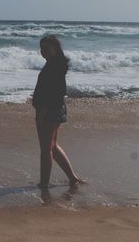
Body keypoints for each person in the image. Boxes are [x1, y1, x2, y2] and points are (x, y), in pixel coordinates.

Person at [32, 35, 84, 189]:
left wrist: (41, 114)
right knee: (52, 147)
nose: (44, 51)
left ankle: (44, 183)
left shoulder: (54, 67)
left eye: (47, 48)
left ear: (55, 48)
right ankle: (73, 178)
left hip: (49, 110)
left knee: (46, 149)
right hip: (54, 109)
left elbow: (54, 93)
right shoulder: (55, 64)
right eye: (42, 48)